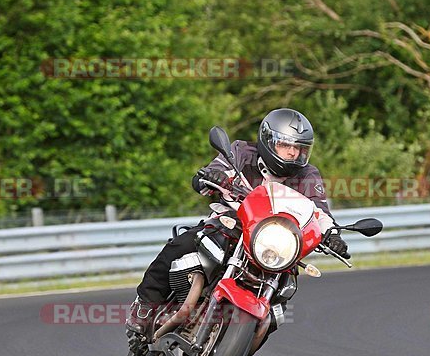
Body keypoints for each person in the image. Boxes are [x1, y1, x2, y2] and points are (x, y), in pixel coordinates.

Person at [125, 108, 349, 335]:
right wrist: (209, 177)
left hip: (274, 241)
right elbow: (214, 171)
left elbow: (319, 211)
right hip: (232, 222)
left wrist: (332, 234)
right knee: (183, 243)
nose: (292, 153)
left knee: (283, 294)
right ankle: (145, 304)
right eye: (285, 145)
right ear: (269, 140)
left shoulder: (308, 175)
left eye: (299, 148)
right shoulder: (242, 152)